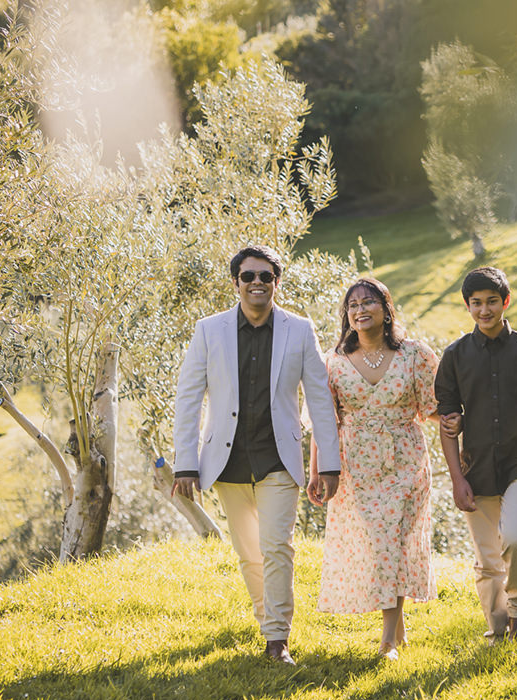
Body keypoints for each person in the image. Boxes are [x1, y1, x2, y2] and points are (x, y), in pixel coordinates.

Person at [171, 245, 341, 666]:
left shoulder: (299, 330)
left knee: (276, 547)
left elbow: (320, 399)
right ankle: (267, 619)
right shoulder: (208, 330)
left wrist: (330, 463)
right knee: (249, 552)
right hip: (226, 462)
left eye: (265, 276)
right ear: (236, 283)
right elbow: (188, 398)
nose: (257, 283)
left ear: (276, 282)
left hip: (278, 459)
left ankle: (276, 639)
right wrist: (185, 462)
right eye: (248, 276)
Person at [308, 278, 450, 661]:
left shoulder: (415, 355)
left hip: (406, 460)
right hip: (356, 465)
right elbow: (325, 421)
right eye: (352, 305)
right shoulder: (333, 363)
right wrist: (316, 470)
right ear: (347, 315)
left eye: (368, 302)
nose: (360, 309)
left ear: (386, 309)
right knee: (378, 545)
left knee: (395, 541)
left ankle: (388, 640)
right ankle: (398, 629)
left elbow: (433, 408)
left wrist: (461, 421)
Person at [434, 266, 517, 644]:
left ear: (505, 302)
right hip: (477, 468)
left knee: (516, 538)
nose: (484, 310)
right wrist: (456, 478)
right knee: (487, 559)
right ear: (467, 306)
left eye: (491, 302)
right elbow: (447, 422)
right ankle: (498, 627)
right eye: (476, 303)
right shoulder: (454, 356)